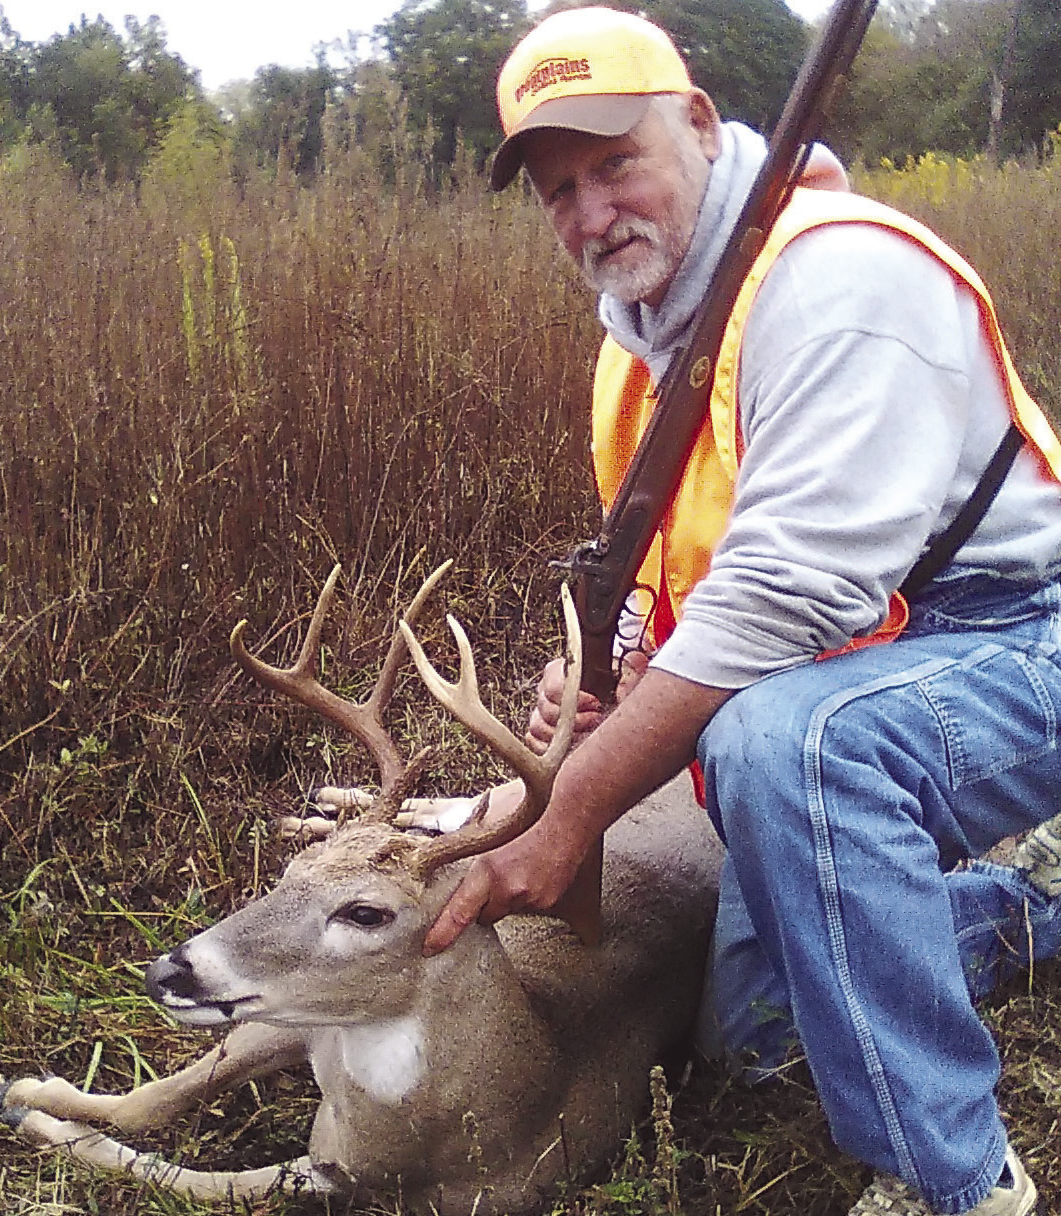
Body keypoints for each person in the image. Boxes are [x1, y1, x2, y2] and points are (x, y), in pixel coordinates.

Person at [421, 8, 1061, 1216]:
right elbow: (700, 584)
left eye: (616, 162)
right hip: (879, 651)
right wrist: (608, 677)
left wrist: (576, 812)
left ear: (703, 129)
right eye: (557, 190)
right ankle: (1027, 913)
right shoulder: (641, 345)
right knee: (758, 1034)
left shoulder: (841, 279)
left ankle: (958, 1183)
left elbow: (785, 592)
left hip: (1022, 632)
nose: (592, 212)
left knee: (790, 747)